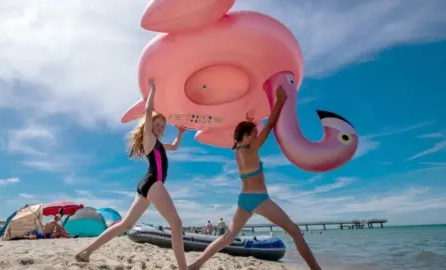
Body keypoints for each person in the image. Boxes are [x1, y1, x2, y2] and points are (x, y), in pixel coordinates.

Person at [187, 80, 322, 270]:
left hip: (244, 200)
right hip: (260, 199)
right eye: (254, 133)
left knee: (227, 238)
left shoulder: (238, 151)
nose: (257, 134)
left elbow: (248, 134)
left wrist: (249, 123)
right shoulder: (252, 149)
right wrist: (280, 101)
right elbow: (269, 126)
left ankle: (196, 264)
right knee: (295, 231)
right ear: (249, 136)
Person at [75, 77, 188, 270]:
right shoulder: (149, 139)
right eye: (158, 125)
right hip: (154, 183)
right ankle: (183, 268)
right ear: (150, 125)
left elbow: (175, 147)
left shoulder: (158, 144)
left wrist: (180, 133)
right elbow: (147, 111)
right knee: (176, 223)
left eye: (163, 127)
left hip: (146, 185)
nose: (161, 129)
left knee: (125, 225)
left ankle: (86, 252)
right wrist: (153, 90)